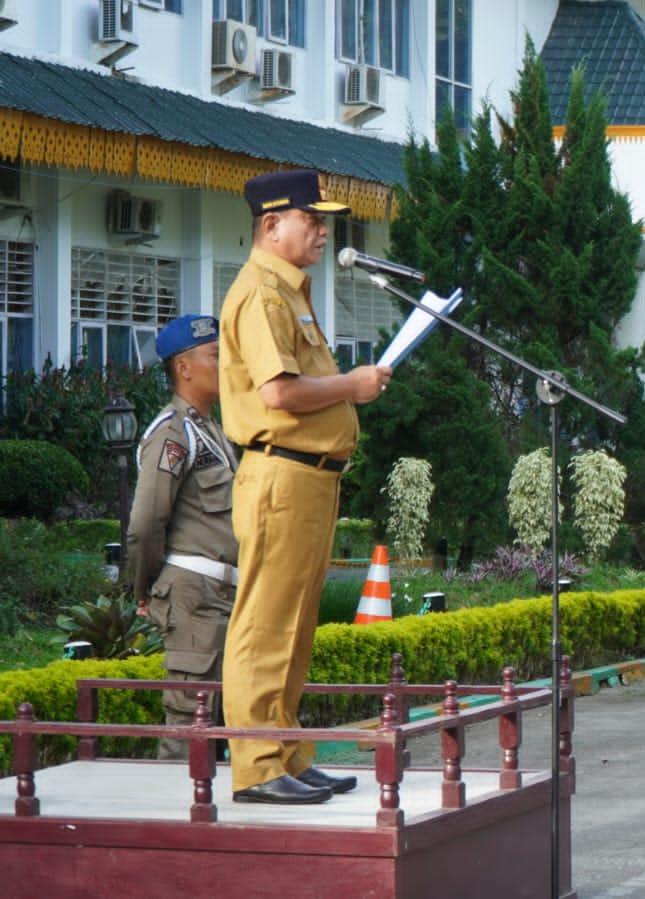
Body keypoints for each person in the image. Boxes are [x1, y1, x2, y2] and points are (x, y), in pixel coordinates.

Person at [219, 170, 390, 804]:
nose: (324, 231)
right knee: (266, 623)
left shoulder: (290, 293)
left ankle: (285, 751)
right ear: (271, 225)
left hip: (309, 478)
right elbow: (279, 392)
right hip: (280, 473)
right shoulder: (262, 294)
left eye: (325, 222)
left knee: (295, 624)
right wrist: (352, 385)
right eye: (312, 220)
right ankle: (259, 766)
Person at [128, 314, 238, 762]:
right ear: (184, 367)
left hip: (224, 592)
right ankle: (175, 827)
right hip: (193, 594)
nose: (226, 364)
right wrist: (143, 588)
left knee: (227, 724)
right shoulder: (173, 433)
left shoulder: (211, 430)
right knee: (189, 726)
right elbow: (146, 521)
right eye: (215, 356)